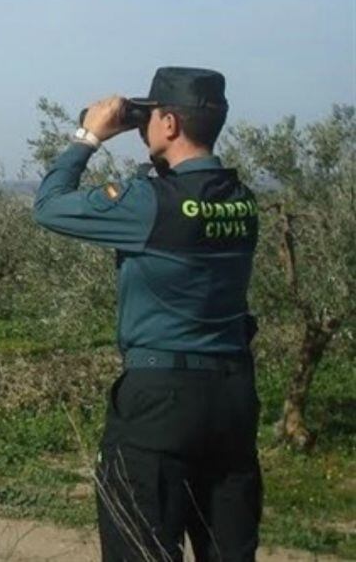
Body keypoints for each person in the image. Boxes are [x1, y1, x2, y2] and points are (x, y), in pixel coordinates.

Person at [32, 67, 261, 561]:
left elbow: (49, 206)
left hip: (160, 403)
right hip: (233, 399)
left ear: (172, 124)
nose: (144, 127)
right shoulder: (244, 202)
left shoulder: (148, 204)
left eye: (150, 117)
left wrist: (89, 135)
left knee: (140, 546)